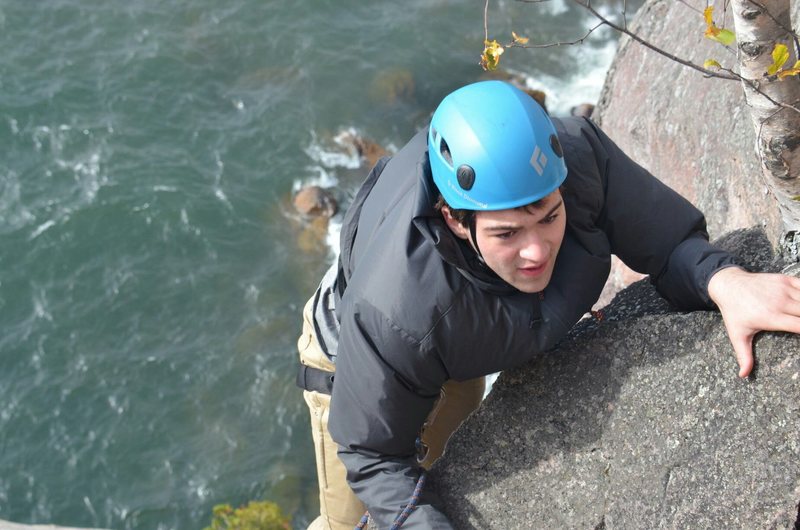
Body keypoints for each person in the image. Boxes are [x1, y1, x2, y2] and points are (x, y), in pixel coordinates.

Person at [295, 80, 800, 529]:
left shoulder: (576, 162)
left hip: (455, 340)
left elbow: (664, 241)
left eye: (549, 217)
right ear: (454, 220)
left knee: (445, 467)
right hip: (356, 358)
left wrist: (726, 281)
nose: (537, 251)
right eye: (507, 233)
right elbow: (372, 454)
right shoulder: (397, 309)